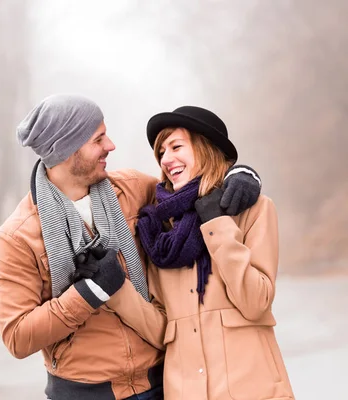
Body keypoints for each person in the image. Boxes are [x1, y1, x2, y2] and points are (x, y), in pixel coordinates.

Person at [0, 94, 262, 400]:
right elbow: (17, 337)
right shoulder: (16, 237)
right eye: (98, 139)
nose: (111, 146)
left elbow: (194, 186)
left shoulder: (133, 189)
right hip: (85, 394)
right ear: (67, 149)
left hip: (165, 382)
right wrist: (87, 294)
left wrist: (240, 175)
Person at [120, 105, 295, 399]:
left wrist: (217, 224)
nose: (166, 159)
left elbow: (256, 302)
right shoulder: (159, 231)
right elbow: (161, 329)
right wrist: (116, 291)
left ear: (205, 149)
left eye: (176, 146)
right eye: (161, 152)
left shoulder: (254, 210)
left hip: (254, 389)